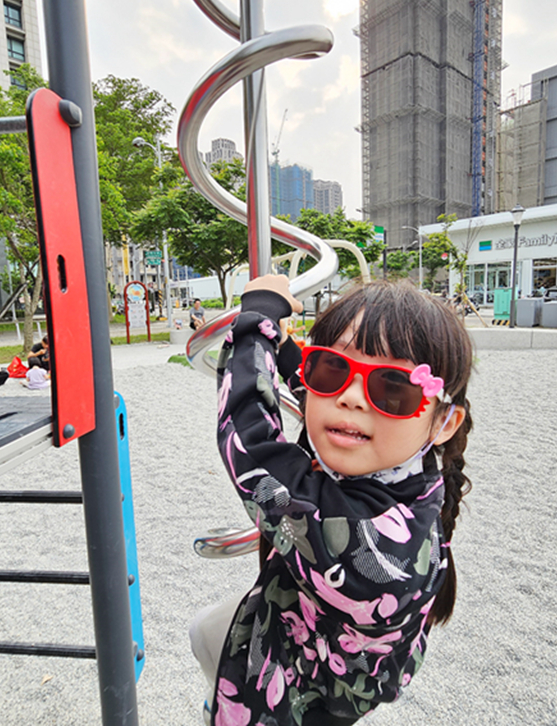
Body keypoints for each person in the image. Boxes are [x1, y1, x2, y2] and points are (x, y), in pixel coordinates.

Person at [191, 276, 473, 725]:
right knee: (206, 631)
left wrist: (258, 318)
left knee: (206, 634)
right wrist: (286, 351)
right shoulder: (408, 468)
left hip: (295, 700)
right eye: (332, 368)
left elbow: (250, 441)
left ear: (444, 423)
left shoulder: (370, 547)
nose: (352, 398)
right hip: (327, 647)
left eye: (394, 388)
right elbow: (319, 396)